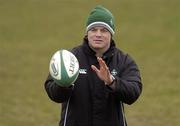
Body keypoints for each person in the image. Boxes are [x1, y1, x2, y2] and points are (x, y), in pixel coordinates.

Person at [44, 5, 142, 126]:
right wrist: (64, 84)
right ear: (87, 33)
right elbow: (54, 94)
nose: (98, 34)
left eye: (104, 30)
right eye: (93, 29)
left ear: (111, 34)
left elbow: (133, 93)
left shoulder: (124, 61)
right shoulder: (69, 58)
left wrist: (112, 82)